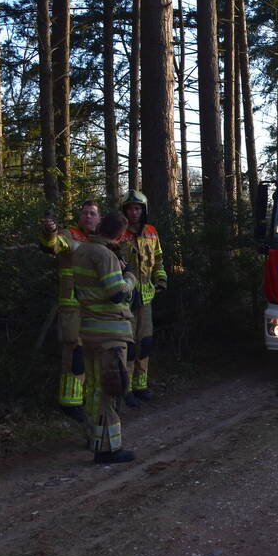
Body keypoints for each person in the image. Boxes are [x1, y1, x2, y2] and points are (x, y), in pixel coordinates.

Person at [73, 210, 138, 463]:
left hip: (88, 330)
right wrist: (130, 277)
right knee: (111, 389)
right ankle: (109, 449)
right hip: (109, 334)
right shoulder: (105, 255)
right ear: (120, 234)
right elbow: (116, 293)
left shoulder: (82, 251)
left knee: (93, 389)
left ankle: (94, 438)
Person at [40, 199, 101, 424]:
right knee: (74, 356)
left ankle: (86, 399)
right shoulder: (69, 235)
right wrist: (50, 232)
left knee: (92, 357)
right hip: (73, 309)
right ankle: (69, 402)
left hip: (95, 310)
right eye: (85, 213)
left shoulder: (102, 242)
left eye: (93, 213)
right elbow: (53, 245)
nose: (88, 217)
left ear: (99, 219)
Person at [117, 190, 168, 407]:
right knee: (127, 345)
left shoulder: (151, 232)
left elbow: (158, 260)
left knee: (145, 343)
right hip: (125, 299)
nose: (133, 212)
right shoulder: (118, 234)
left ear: (143, 210)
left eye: (137, 208)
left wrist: (161, 279)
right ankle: (126, 388)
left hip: (146, 298)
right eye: (129, 208)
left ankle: (141, 385)